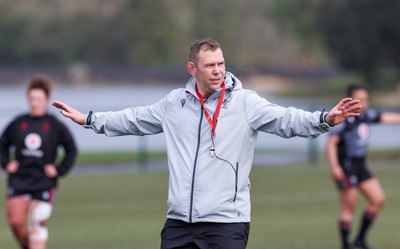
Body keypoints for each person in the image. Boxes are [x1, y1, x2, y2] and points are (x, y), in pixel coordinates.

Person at [53, 38, 361, 249]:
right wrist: (89, 119)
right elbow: (132, 119)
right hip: (179, 222)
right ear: (192, 69)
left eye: (221, 64)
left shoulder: (245, 102)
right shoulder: (175, 103)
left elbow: (287, 120)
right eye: (210, 65)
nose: (218, 71)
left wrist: (324, 118)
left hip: (226, 223)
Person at [0, 74, 77, 249]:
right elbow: (2, 145)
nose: (35, 102)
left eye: (39, 99)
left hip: (44, 182)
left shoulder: (54, 125)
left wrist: (59, 170)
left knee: (38, 229)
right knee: (16, 223)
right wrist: (6, 163)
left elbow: (71, 149)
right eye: (32, 98)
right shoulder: (18, 123)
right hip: (19, 180)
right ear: (28, 99)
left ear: (46, 100)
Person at [326, 84, 400, 249]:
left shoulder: (366, 115)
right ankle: (346, 245)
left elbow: (385, 117)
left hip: (361, 165)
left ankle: (360, 239)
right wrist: (335, 167)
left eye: (366, 99)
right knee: (349, 206)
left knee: (378, 200)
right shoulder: (344, 118)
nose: (363, 103)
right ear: (350, 100)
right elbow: (331, 144)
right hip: (347, 166)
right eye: (359, 99)